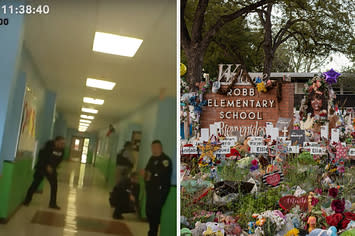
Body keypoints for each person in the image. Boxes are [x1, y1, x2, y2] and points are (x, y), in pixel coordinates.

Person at [24, 136, 65, 209]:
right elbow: (42, 156)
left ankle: (52, 204)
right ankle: (27, 201)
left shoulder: (62, 150)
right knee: (35, 184)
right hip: (42, 167)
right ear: (56, 142)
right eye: (61, 143)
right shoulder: (48, 146)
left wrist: (53, 167)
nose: (62, 145)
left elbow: (60, 160)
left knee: (54, 186)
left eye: (63, 143)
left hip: (52, 168)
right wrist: (47, 165)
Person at [144, 140, 172, 236]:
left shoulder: (165, 160)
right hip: (150, 190)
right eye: (152, 148)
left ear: (160, 148)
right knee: (148, 212)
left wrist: (151, 174)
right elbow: (147, 171)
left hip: (159, 192)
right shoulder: (151, 159)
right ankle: (151, 230)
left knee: (155, 214)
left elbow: (161, 175)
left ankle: (153, 233)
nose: (154, 150)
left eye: (156, 148)